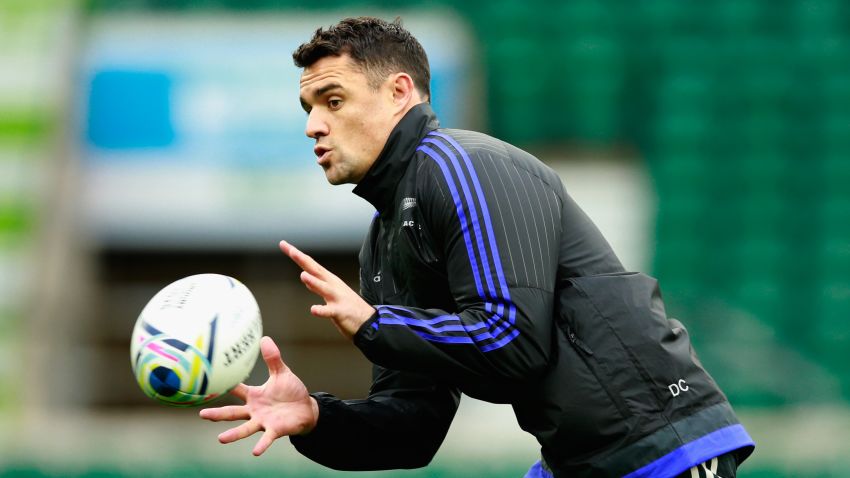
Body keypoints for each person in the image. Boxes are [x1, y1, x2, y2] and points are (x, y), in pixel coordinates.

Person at [199, 16, 755, 477]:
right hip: (580, 461)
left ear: (399, 92)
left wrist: (375, 326)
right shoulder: (383, 240)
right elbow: (413, 429)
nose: (313, 126)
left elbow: (513, 339)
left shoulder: (462, 165)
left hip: (663, 446)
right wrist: (316, 417)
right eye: (309, 109)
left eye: (333, 100)